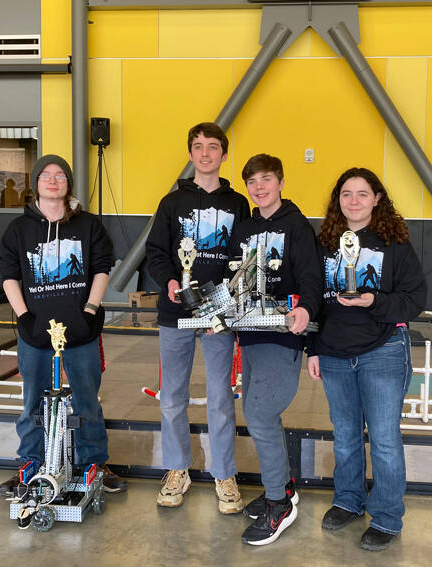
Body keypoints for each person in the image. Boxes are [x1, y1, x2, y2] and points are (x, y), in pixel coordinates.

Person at [307, 167, 427, 552]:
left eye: (362, 194)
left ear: (377, 199)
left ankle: (388, 517)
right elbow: (313, 299)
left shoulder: (394, 243)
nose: (353, 201)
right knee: (344, 437)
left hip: (383, 351)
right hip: (335, 354)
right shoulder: (326, 242)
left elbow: (415, 299)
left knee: (385, 441)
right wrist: (314, 348)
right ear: (337, 200)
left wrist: (375, 301)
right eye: (346, 194)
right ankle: (348, 501)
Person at [0, 154, 126, 497]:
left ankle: (95, 463)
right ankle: (29, 465)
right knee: (32, 404)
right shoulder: (18, 230)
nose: (53, 181)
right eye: (46, 176)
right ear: (35, 183)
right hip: (36, 332)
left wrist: (89, 310)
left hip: (81, 330)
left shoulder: (88, 225)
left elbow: (102, 268)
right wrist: (24, 317)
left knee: (86, 402)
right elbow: (9, 276)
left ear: (68, 184)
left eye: (60, 176)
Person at [145, 122, 251, 513]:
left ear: (224, 155)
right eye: (198, 147)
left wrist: (221, 303)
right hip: (175, 314)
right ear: (190, 154)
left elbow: (242, 259)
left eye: (212, 147)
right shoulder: (172, 203)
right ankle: (177, 469)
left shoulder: (238, 204)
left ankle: (224, 472)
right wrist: (170, 280)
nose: (205, 154)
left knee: (221, 398)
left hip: (218, 314)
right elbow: (156, 251)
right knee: (172, 397)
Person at [229, 154, 321, 545]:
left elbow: (313, 278)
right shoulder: (245, 227)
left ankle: (278, 504)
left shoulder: (297, 227)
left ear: (281, 182)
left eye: (266, 179)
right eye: (252, 182)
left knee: (260, 413)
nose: (259, 187)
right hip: (248, 334)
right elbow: (234, 276)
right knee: (260, 413)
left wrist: (305, 309)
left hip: (281, 334)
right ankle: (283, 487)